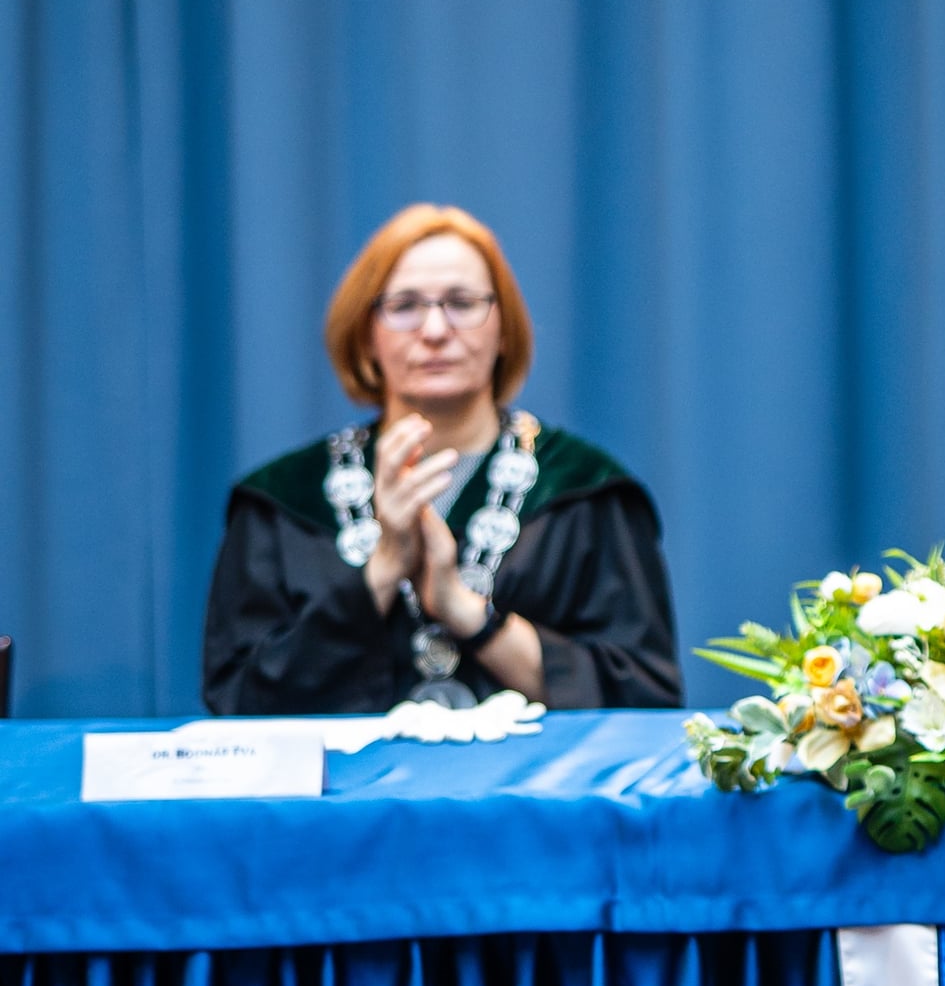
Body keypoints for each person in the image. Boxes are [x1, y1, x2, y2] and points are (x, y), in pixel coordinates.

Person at [202, 202, 681, 716]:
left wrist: (467, 613)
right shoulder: (280, 502)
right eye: (404, 305)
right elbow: (238, 705)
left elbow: (641, 701)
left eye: (462, 302)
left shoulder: (588, 493)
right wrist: (383, 570)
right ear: (366, 335)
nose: (434, 329)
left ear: (504, 329)